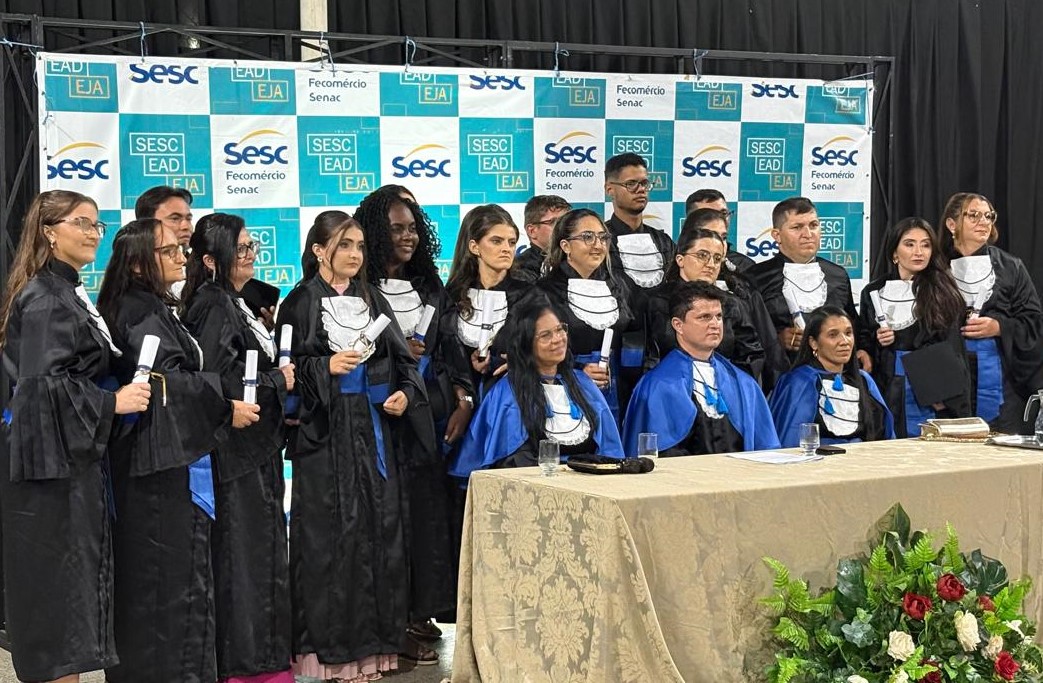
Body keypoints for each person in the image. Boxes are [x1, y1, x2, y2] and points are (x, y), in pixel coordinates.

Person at [0, 190, 151, 683]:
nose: (92, 233)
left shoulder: (66, 291)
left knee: (71, 602)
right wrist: (112, 402)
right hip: (50, 471)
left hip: (69, 462)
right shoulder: (47, 298)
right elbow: (44, 388)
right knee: (58, 606)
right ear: (49, 231)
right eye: (81, 223)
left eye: (97, 225)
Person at [276, 214, 424, 682]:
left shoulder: (373, 299)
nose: (355, 254)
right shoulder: (299, 302)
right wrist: (324, 367)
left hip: (374, 435)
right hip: (325, 438)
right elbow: (284, 373)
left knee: (380, 536)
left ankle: (374, 654)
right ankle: (331, 659)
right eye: (344, 245)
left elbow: (405, 363)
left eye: (359, 245)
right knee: (329, 541)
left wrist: (404, 393)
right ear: (319, 250)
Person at [97, 219, 244, 683]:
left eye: (180, 249)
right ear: (139, 263)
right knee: (165, 584)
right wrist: (225, 403)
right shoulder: (137, 311)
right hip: (156, 468)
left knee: (180, 582)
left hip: (168, 459)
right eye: (168, 251)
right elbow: (167, 383)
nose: (182, 256)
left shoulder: (155, 306)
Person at [180, 213, 295, 683]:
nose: (250, 255)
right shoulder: (214, 305)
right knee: (245, 558)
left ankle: (260, 661)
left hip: (255, 449)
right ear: (210, 260)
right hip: (236, 452)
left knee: (259, 555)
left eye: (252, 247)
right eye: (241, 249)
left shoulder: (234, 301)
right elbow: (219, 382)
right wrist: (277, 380)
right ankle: (246, 666)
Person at [354, 189, 469, 659]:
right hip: (380, 417)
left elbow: (451, 350)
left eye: (412, 227)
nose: (408, 236)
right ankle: (390, 621)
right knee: (387, 519)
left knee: (424, 515)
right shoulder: (357, 289)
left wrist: (463, 398)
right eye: (396, 228)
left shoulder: (430, 287)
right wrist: (397, 354)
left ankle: (420, 610)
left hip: (427, 419)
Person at [450, 295, 624, 477]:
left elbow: (608, 451)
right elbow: (510, 459)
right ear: (526, 344)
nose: (557, 339)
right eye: (545, 335)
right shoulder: (508, 392)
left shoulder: (584, 384)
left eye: (560, 330)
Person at [623, 281, 780, 456]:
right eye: (704, 317)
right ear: (678, 325)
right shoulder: (657, 385)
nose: (715, 324)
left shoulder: (744, 384)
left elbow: (767, 449)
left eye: (718, 316)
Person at [940, 192, 1043, 433]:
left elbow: (1034, 322)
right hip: (948, 378)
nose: (984, 222)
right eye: (974, 215)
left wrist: (999, 327)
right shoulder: (936, 267)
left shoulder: (1011, 267)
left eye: (989, 216)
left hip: (1002, 382)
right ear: (952, 224)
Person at [860, 218, 972, 437]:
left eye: (925, 245)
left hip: (929, 389)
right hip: (886, 385)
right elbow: (863, 338)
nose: (918, 252)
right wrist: (876, 339)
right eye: (909, 244)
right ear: (894, 252)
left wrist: (939, 393)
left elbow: (952, 348)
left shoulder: (943, 291)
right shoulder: (873, 291)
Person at [535, 208, 643, 423]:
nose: (598, 245)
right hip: (565, 387)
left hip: (619, 387)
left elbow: (638, 334)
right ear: (565, 246)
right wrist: (577, 370)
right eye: (587, 237)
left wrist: (631, 373)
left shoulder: (623, 285)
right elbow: (537, 348)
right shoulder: (544, 292)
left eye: (603, 237)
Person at [749, 196, 868, 369]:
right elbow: (743, 333)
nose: (808, 234)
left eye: (813, 225)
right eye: (797, 227)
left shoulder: (837, 275)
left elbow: (853, 323)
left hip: (834, 376)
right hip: (779, 375)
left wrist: (863, 349)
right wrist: (776, 340)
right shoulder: (756, 277)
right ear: (777, 235)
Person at [649, 223, 765, 380]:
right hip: (669, 386)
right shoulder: (657, 302)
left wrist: (730, 385)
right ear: (680, 260)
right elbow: (648, 356)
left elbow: (751, 354)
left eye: (717, 259)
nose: (711, 265)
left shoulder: (732, 304)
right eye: (702, 255)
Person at [770, 306, 895, 448]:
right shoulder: (798, 382)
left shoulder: (865, 381)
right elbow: (788, 440)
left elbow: (884, 436)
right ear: (813, 343)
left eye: (848, 333)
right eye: (833, 335)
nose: (844, 341)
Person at [445, 204, 529, 397]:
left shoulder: (530, 296)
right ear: (474, 247)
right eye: (496, 241)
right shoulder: (450, 296)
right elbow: (442, 358)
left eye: (511, 242)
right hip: (457, 400)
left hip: (510, 399)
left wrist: (523, 362)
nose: (506, 249)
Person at [604, 153, 675, 288]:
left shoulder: (663, 241)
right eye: (631, 184)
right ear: (610, 189)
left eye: (644, 183)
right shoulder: (599, 241)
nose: (641, 189)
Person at [684, 188, 755, 273]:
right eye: (709, 215)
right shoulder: (672, 262)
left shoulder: (744, 266)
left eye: (724, 213)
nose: (719, 219)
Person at [513, 194, 571, 283]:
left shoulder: (577, 262)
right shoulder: (519, 269)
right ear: (532, 231)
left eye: (567, 222)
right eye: (555, 222)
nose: (564, 228)